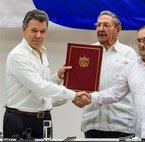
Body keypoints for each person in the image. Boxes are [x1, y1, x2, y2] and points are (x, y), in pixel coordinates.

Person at [3, 9, 85, 139]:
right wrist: (73, 95)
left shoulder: (42, 52)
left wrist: (58, 77)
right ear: (24, 29)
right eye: (34, 30)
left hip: (43, 120)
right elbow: (40, 86)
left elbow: (43, 89)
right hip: (20, 120)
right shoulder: (18, 55)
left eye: (43, 31)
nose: (38, 36)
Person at [81, 10, 138, 138]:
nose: (100, 29)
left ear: (118, 29)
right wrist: (76, 96)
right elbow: (80, 84)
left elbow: (137, 88)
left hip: (121, 124)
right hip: (92, 122)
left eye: (106, 25)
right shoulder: (88, 53)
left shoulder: (129, 54)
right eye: (98, 25)